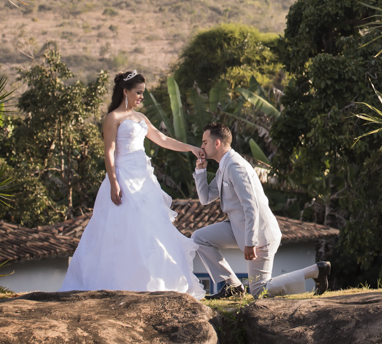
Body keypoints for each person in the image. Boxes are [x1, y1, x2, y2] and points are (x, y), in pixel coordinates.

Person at [61, 70, 206, 296]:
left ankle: (155, 283)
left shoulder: (140, 118)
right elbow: (109, 152)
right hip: (123, 178)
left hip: (143, 180)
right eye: (138, 92)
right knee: (123, 229)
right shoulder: (113, 118)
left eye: (142, 93)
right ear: (125, 91)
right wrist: (114, 182)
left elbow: (162, 139)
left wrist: (191, 148)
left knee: (151, 229)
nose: (141, 97)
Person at [192, 122, 330, 298]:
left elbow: (251, 205)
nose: (202, 146)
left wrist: (251, 242)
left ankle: (316, 271)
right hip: (237, 227)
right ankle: (233, 286)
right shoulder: (223, 167)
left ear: (217, 143)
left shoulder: (235, 166)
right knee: (199, 238)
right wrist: (200, 171)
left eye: (204, 142)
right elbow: (205, 198)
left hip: (260, 234)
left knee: (259, 290)